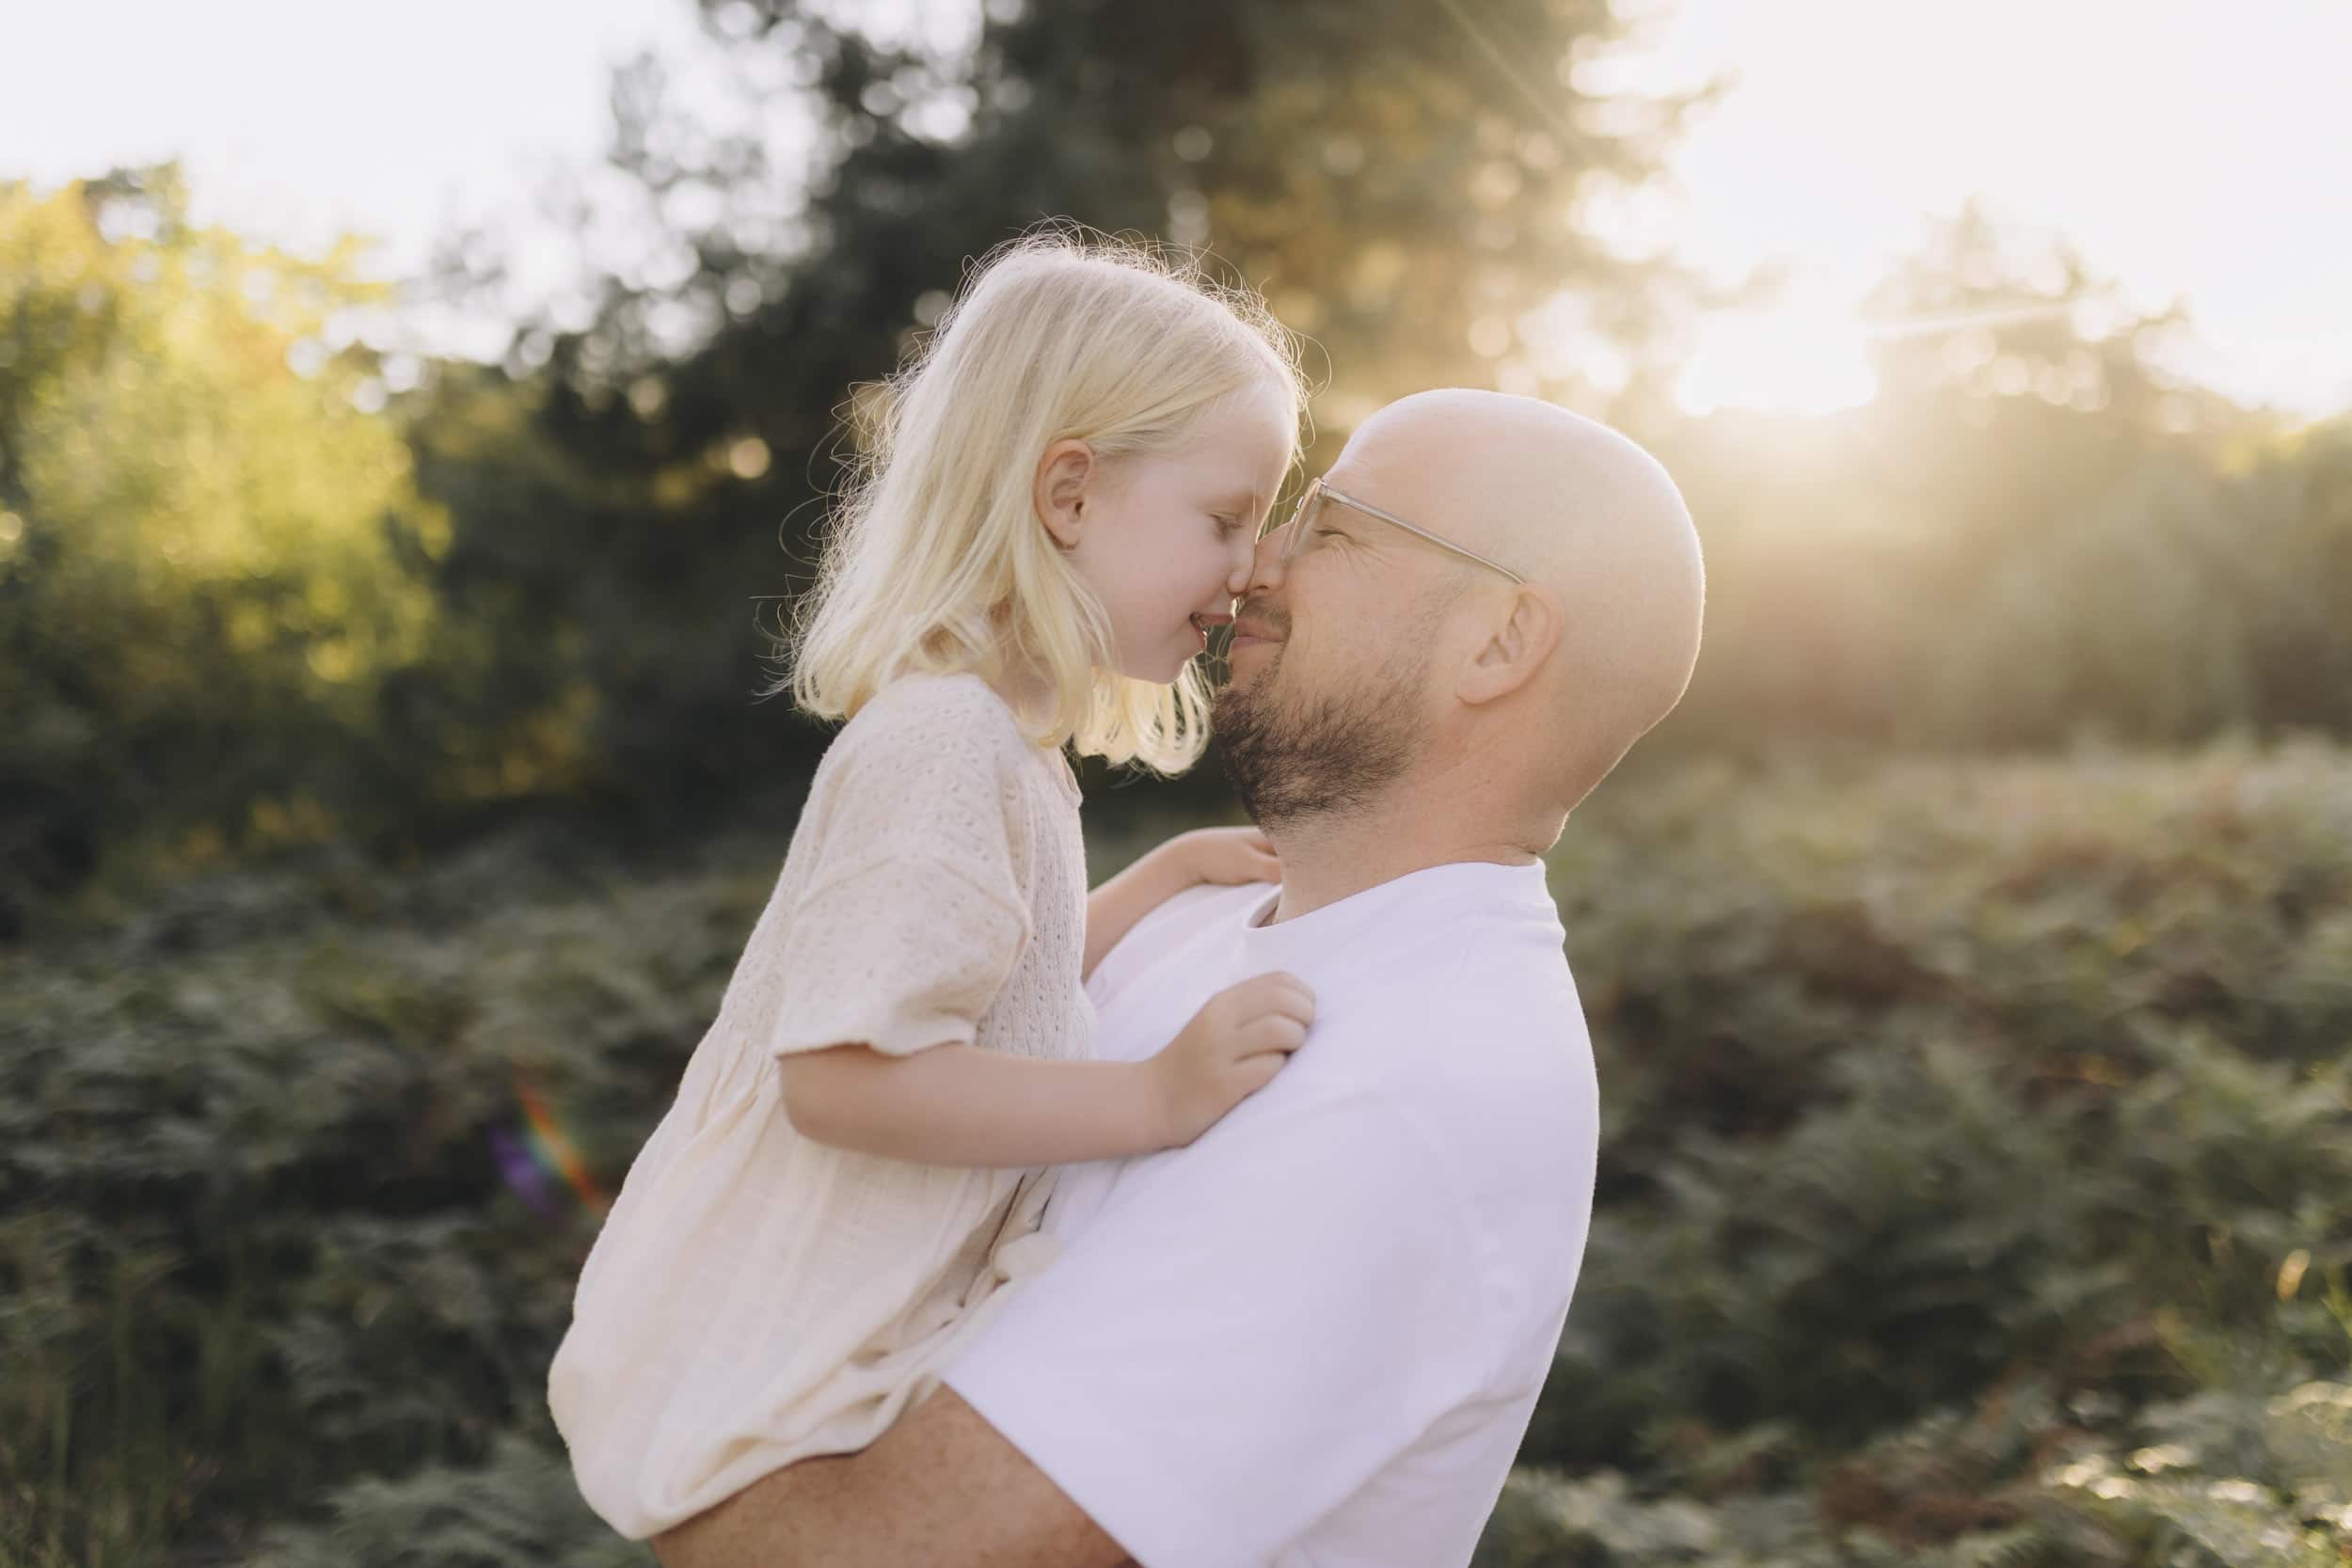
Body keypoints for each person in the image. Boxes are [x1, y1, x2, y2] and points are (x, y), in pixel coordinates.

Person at [648, 387, 1708, 1568]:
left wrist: (665, 1412)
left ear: (1499, 641)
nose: (1255, 565)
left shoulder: (1416, 1085)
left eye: (1331, 527)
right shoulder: (1194, 923)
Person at [547, 231, 1323, 1542]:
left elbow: (993, 992)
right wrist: (1153, 1095)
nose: (1250, 567)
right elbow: (846, 1074)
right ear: (1068, 494)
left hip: (820, 1377)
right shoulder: (944, 743)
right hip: (767, 1385)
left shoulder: (1010, 750)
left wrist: (1158, 879)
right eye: (1224, 518)